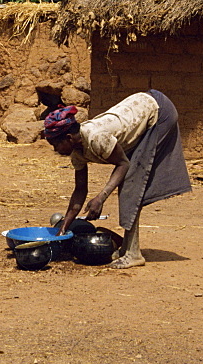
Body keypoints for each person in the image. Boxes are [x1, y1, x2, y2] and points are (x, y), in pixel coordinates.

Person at [44, 90, 191, 269]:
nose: (55, 150)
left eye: (56, 145)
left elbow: (123, 164)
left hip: (159, 112)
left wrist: (101, 197)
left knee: (130, 182)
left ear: (68, 138)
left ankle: (133, 253)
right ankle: (127, 248)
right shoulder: (77, 153)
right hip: (144, 108)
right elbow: (80, 190)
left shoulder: (96, 138)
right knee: (129, 181)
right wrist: (63, 228)